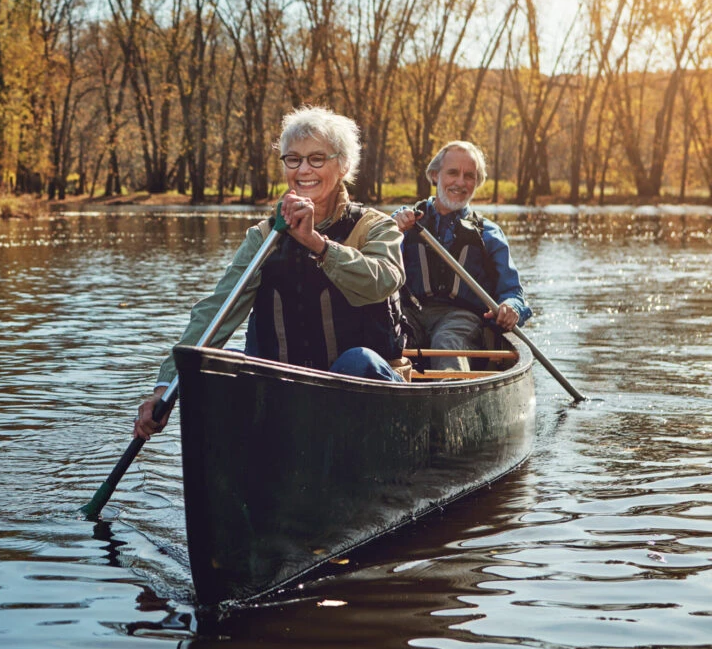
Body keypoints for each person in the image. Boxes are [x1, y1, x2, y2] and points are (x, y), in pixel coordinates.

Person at [133, 106, 407, 440]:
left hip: (359, 389)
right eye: (293, 159)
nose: (303, 169)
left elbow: (380, 282)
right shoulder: (263, 237)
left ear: (344, 166)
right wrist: (166, 387)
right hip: (285, 393)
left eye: (317, 159)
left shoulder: (378, 227)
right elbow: (217, 311)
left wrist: (317, 243)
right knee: (219, 367)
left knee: (357, 361)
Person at [391, 141, 531, 371]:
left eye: (469, 176)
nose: (460, 182)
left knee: (446, 341)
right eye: (453, 173)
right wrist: (393, 228)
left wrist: (512, 307)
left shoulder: (490, 234)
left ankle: (448, 397)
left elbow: (514, 293)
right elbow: (379, 266)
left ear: (477, 183)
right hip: (410, 314)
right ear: (435, 175)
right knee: (385, 334)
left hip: (462, 318)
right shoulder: (405, 221)